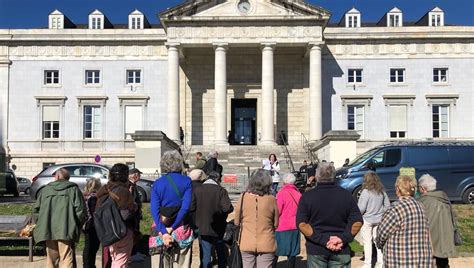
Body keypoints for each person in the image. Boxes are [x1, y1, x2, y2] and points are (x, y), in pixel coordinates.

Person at [296, 162, 363, 268]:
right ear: (334, 176)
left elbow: (301, 224)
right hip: (340, 247)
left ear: (316, 177)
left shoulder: (307, 196)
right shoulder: (346, 195)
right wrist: (342, 238)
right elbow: (357, 221)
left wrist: (323, 240)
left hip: (317, 248)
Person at [375, 175, 434, 267]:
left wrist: (379, 244)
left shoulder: (395, 209)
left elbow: (381, 234)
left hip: (400, 260)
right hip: (421, 260)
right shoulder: (421, 206)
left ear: (398, 189)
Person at [32, 168, 85, 268]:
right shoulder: (74, 190)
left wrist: (42, 223)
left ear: (57, 176)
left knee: (51, 260)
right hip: (66, 229)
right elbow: (80, 211)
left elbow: (36, 210)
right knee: (66, 258)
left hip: (48, 229)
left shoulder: (45, 190)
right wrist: (76, 226)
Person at [150, 150, 194, 268]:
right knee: (181, 263)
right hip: (181, 227)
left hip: (160, 227)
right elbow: (185, 208)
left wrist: (164, 231)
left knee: (159, 263)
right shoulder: (187, 181)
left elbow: (154, 210)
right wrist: (172, 227)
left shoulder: (157, 183)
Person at [235, 169, 279, 268]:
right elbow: (276, 223)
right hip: (266, 242)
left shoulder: (243, 197)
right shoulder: (271, 199)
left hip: (246, 242)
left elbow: (236, 221)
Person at [96, 163, 137, 268]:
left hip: (108, 230)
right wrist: (134, 206)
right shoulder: (124, 191)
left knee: (115, 259)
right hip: (122, 231)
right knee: (121, 262)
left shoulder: (104, 189)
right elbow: (125, 215)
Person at [194, 171, 233, 268]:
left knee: (206, 255)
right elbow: (227, 208)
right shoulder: (221, 190)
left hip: (202, 226)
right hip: (218, 227)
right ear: (218, 179)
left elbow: (191, 207)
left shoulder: (197, 190)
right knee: (221, 254)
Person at [418, 174, 457, 268]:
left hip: (430, 242)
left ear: (423, 188)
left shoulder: (422, 201)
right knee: (443, 263)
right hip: (444, 239)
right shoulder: (444, 199)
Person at [357, 172, 390, 268]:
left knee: (367, 242)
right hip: (379, 220)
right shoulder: (382, 191)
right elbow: (387, 206)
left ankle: (367, 264)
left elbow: (361, 208)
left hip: (367, 220)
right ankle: (381, 264)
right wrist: (381, 213)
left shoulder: (365, 192)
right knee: (378, 243)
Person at [275, 173, 302, 268]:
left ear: (284, 182)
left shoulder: (281, 193)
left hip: (281, 226)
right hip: (295, 226)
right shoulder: (299, 194)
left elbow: (277, 211)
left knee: (276, 251)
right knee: (292, 252)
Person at [82, 178, 102, 268]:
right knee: (92, 248)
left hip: (86, 224)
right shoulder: (95, 198)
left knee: (89, 247)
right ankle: (89, 265)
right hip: (94, 225)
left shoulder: (84, 196)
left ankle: (88, 265)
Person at [128, 168, 146, 263]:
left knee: (136, 233)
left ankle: (135, 251)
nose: (140, 177)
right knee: (133, 234)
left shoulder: (134, 185)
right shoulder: (129, 185)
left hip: (136, 215)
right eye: (139, 175)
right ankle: (132, 254)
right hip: (132, 215)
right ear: (134, 175)